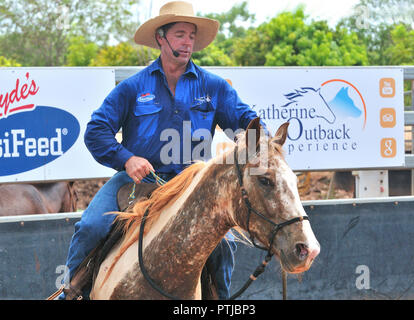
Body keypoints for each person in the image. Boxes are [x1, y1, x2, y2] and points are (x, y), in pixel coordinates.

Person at [62, 0, 263, 300]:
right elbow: (96, 131)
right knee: (91, 226)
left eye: (192, 35)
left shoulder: (214, 87)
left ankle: (217, 299)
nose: (188, 42)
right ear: (161, 38)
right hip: (137, 183)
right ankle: (71, 292)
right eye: (180, 34)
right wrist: (127, 159)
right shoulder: (132, 87)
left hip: (193, 188)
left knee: (224, 244)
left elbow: (248, 125)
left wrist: (260, 144)